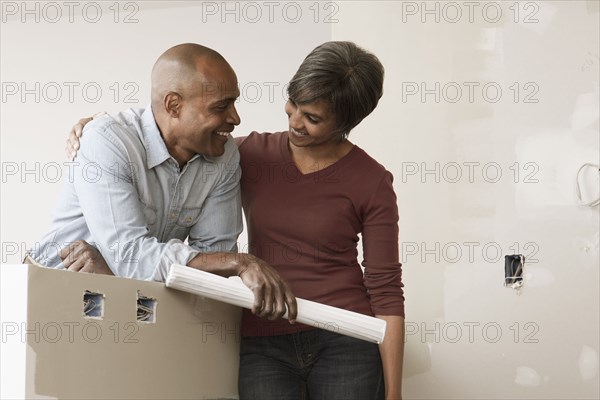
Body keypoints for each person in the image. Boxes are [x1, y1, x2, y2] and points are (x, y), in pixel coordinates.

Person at [66, 41, 405, 399]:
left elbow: (386, 289)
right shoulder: (246, 155)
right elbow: (184, 136)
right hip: (263, 339)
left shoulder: (371, 180)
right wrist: (95, 130)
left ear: (346, 122)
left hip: (345, 337)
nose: (295, 122)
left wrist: (394, 393)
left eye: (313, 118)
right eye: (293, 105)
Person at [29, 43, 297, 322]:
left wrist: (113, 271)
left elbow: (212, 258)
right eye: (221, 106)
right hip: (51, 289)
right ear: (174, 105)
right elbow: (130, 255)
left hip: (133, 302)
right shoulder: (108, 141)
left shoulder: (224, 154)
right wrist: (239, 263)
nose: (235, 118)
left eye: (234, 102)